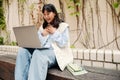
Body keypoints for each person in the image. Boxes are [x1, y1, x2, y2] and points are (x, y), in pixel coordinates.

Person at [15, 3, 73, 80]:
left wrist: (54, 33)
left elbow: (63, 44)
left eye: (48, 14)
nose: (46, 16)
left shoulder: (63, 26)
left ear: (54, 13)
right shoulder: (42, 28)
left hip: (56, 53)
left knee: (38, 53)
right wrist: (42, 35)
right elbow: (38, 43)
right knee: (22, 51)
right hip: (41, 51)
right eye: (44, 14)